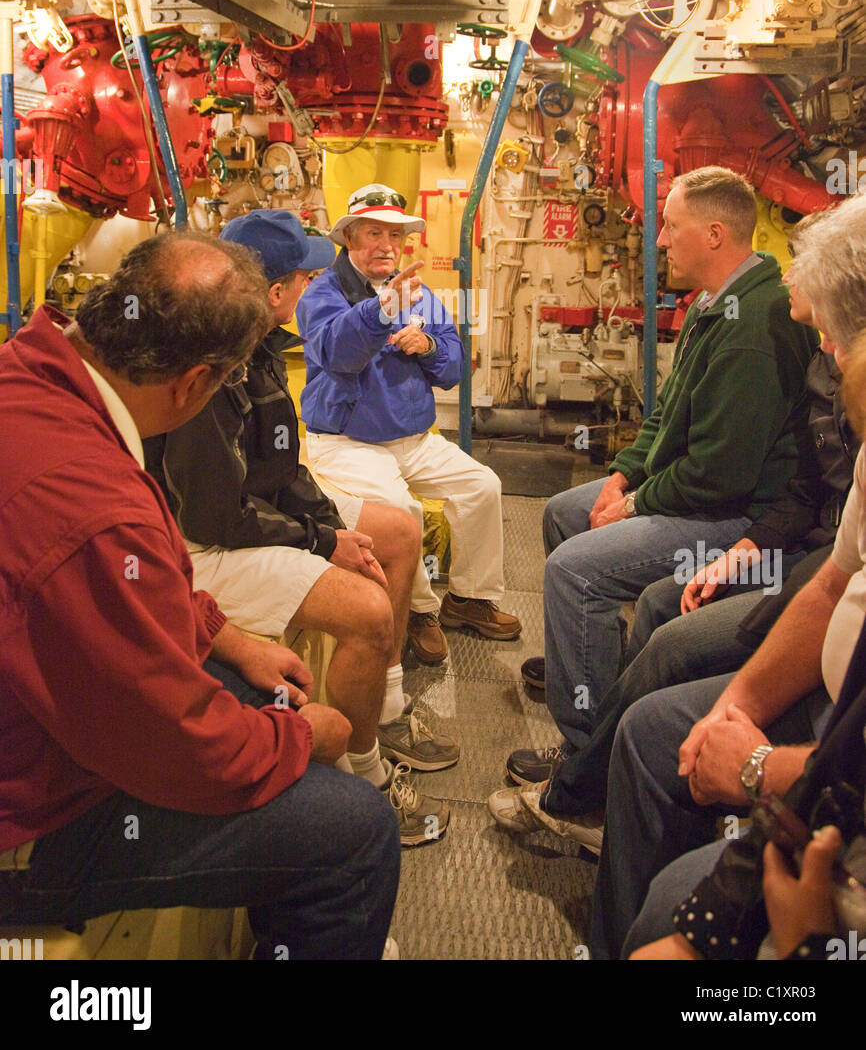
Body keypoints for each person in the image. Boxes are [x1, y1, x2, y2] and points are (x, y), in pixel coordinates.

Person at [0, 231, 400, 960]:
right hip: (28, 823)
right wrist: (308, 735)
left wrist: (234, 639)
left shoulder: (34, 373)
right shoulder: (96, 509)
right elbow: (173, 743)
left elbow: (139, 598)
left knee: (258, 698)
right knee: (354, 831)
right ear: (192, 383)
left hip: (44, 721)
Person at [488, 213, 855, 840]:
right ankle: (592, 692)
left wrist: (640, 506)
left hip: (743, 517)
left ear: (714, 233)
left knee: (582, 574)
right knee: (565, 513)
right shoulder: (720, 309)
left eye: (670, 226)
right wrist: (623, 477)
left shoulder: (755, 331)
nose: (657, 241)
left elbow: (723, 475)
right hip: (770, 533)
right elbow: (665, 417)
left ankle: (588, 760)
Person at [586, 191, 866, 958]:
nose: (828, 357)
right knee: (658, 698)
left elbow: (721, 473)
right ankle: (595, 787)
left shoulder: (754, 331)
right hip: (787, 551)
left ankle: (583, 785)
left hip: (785, 580)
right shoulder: (814, 369)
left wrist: (753, 764)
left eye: (835, 338)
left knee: (663, 624)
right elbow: (824, 538)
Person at [144, 211, 456, 847]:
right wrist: (321, 540)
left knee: (395, 533)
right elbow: (217, 515)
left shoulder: (257, 355)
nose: (316, 282)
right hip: (204, 548)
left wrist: (327, 527)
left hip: (252, 520)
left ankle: (385, 705)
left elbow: (282, 472)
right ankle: (364, 779)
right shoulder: (213, 370)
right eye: (305, 274)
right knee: (368, 609)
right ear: (272, 290)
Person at [296, 183, 521, 664]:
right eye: (374, 232)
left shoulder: (418, 292)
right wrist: (379, 311)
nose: (387, 245)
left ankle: (469, 599)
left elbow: (454, 365)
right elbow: (336, 353)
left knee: (482, 486)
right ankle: (420, 610)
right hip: (346, 440)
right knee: (405, 513)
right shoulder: (320, 294)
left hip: (414, 437)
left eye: (395, 236)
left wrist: (430, 347)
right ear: (349, 239)